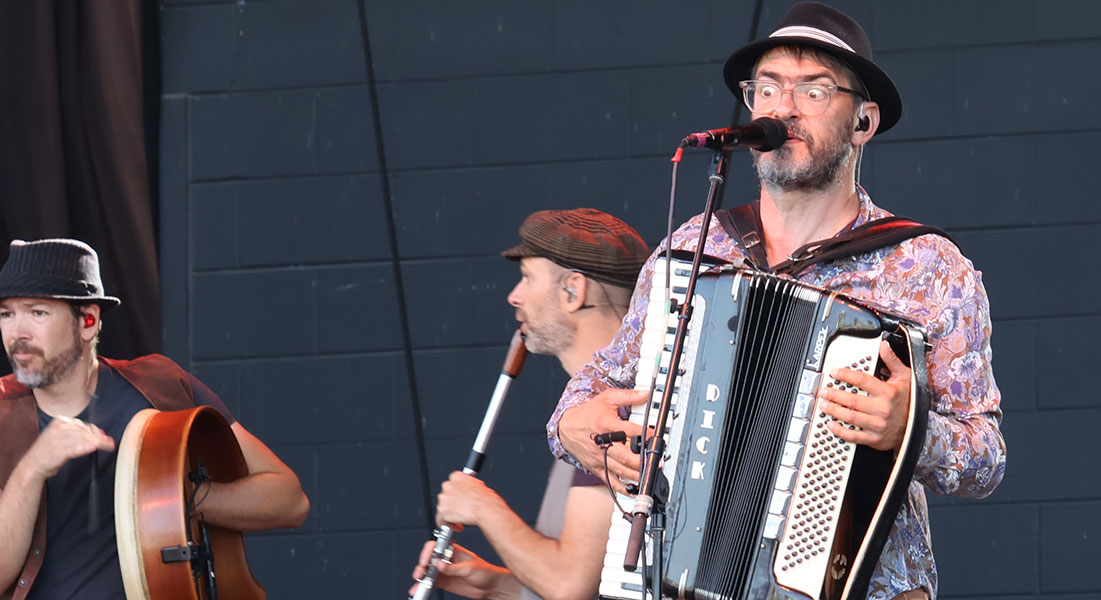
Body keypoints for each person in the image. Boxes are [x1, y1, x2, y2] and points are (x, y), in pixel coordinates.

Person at [546, 4, 1005, 599]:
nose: (782, 108)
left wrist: (908, 430)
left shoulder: (927, 268)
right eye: (766, 88)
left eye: (813, 91)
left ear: (863, 123)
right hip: (685, 580)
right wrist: (573, 427)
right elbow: (589, 392)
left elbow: (985, 458)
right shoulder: (692, 249)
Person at [0, 239, 308, 600]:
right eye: (7, 314)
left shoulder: (163, 385)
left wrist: (176, 497)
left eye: (37, 312)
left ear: (88, 321)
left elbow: (290, 501)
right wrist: (33, 468)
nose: (17, 333)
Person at [409, 209, 650, 600]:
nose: (513, 296)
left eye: (526, 278)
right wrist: (497, 586)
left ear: (574, 291)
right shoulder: (579, 416)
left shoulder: (615, 414)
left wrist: (483, 507)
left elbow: (569, 584)